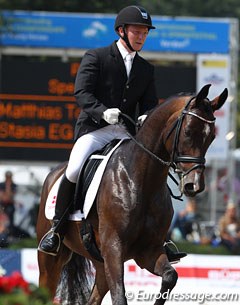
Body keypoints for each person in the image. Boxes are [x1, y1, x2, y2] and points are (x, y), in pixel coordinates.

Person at [38, 5, 186, 262]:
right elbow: (82, 93)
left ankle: (161, 236)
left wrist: (146, 116)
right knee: (73, 168)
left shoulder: (145, 68)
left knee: (150, 169)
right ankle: (57, 230)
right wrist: (102, 111)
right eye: (137, 32)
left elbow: (150, 103)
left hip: (126, 133)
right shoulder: (96, 56)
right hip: (95, 129)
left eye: (144, 33)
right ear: (121, 31)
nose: (141, 37)